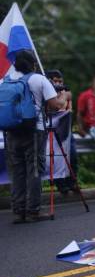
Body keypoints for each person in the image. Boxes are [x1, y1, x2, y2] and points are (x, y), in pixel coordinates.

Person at [5, 50, 67, 223]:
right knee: (34, 170)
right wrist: (63, 96)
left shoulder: (6, 79)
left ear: (16, 64)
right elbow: (55, 106)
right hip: (34, 131)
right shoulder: (39, 79)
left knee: (17, 171)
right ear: (33, 64)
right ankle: (33, 211)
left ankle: (19, 212)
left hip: (11, 131)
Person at [46, 69, 78, 195]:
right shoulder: (47, 93)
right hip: (52, 129)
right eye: (55, 81)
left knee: (73, 156)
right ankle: (61, 185)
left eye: (60, 81)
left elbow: (70, 108)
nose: (59, 83)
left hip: (66, 129)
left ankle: (72, 182)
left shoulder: (66, 92)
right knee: (56, 158)